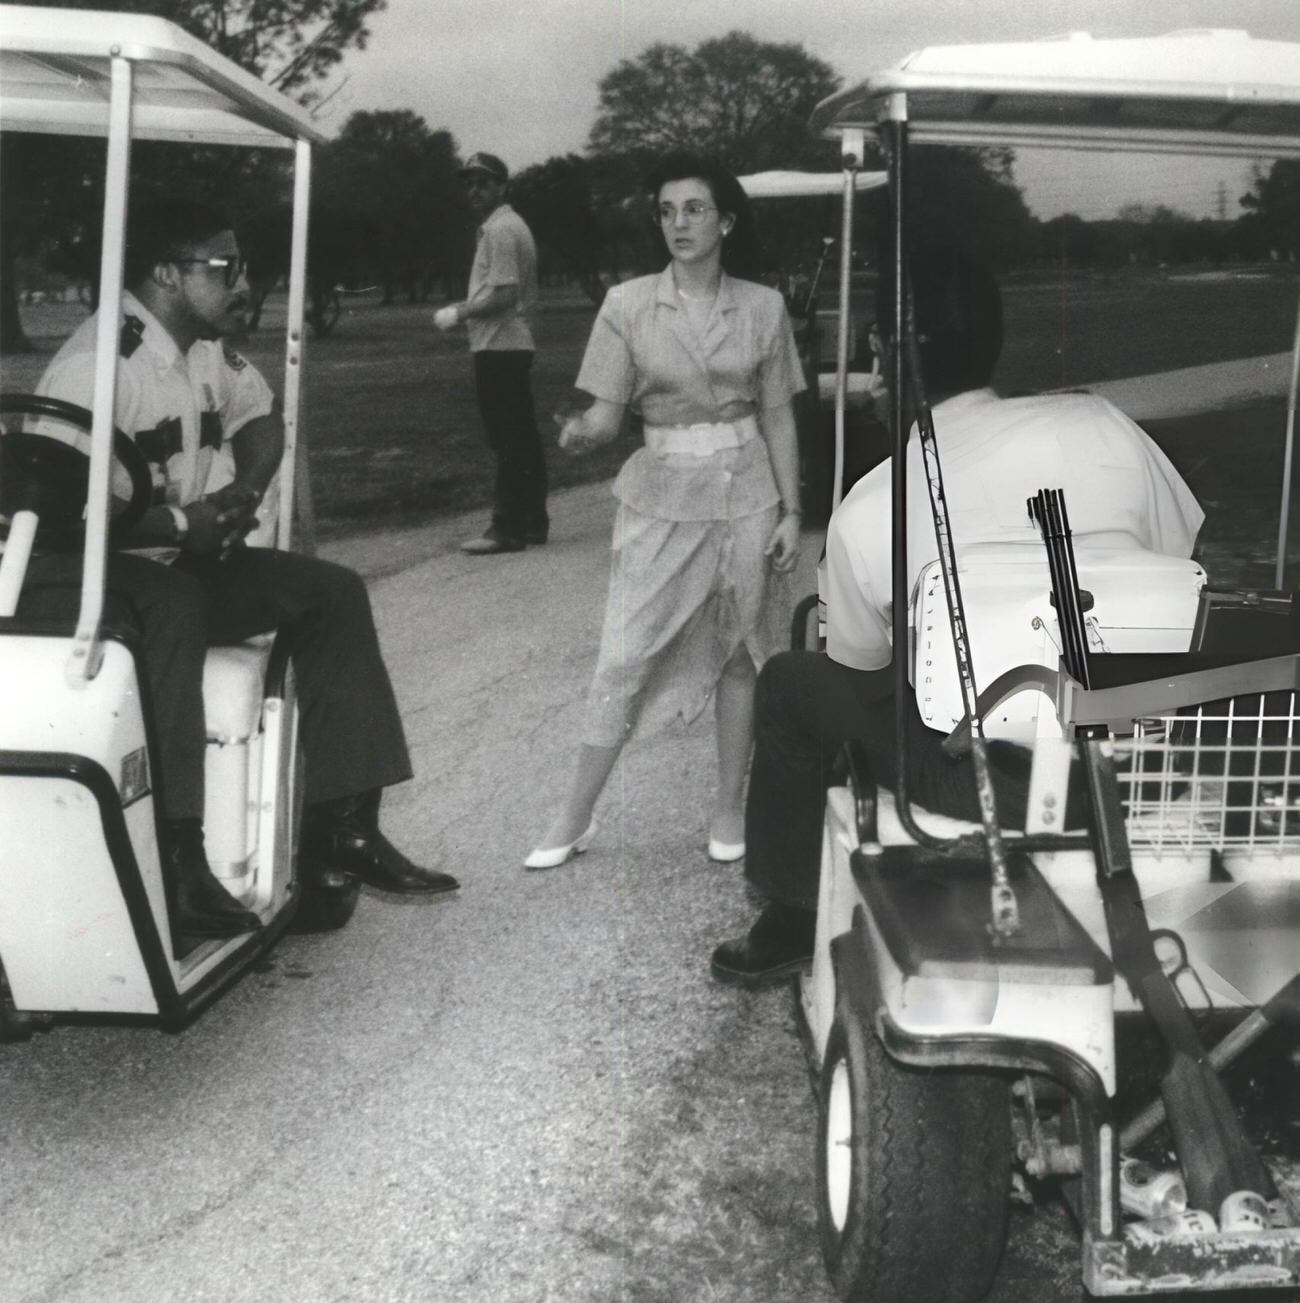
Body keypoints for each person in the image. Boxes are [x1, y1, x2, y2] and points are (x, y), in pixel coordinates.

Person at [710, 246, 1205, 987]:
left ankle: (792, 911)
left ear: (884, 354)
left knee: (789, 680)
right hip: (1136, 763)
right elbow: (1181, 559)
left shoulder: (877, 501)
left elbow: (860, 665)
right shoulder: (1105, 426)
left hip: (992, 784)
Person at [20, 199, 459, 942]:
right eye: (224, 268)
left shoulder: (203, 350)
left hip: (177, 559)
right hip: (90, 568)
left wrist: (242, 495)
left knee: (331, 594)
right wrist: (178, 524)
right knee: (174, 604)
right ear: (166, 274)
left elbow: (261, 416)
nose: (242, 284)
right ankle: (179, 860)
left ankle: (340, 829)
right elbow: (61, 511)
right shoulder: (96, 368)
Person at [524, 153, 805, 871]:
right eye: (667, 211)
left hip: (748, 492)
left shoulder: (764, 307)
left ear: (726, 222)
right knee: (626, 653)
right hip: (663, 495)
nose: (679, 223)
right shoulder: (626, 305)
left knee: (741, 650)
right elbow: (606, 412)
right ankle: (574, 813)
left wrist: (792, 509)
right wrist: (582, 432)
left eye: (694, 209)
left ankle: (729, 806)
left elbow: (778, 415)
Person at [433, 151, 548, 555]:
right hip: (510, 343)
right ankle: (532, 522)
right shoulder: (508, 225)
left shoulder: (500, 230)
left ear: (502, 186)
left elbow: (504, 294)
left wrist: (459, 312)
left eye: (483, 183)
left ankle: (507, 528)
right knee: (521, 436)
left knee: (508, 439)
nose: (475, 190)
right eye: (469, 184)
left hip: (500, 344)